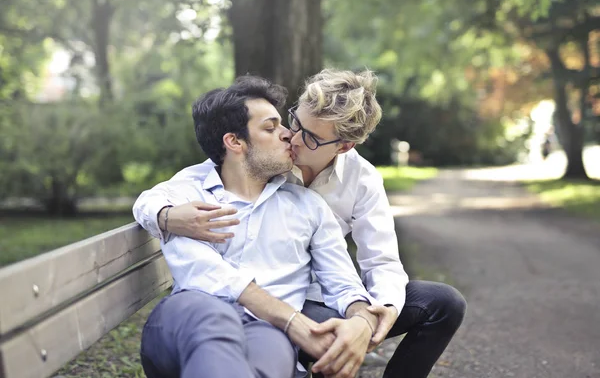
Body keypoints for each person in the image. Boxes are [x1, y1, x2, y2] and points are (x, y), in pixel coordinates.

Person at [134, 69, 467, 378]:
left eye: (307, 136)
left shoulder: (334, 193)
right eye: (287, 123)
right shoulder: (199, 191)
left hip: (295, 314)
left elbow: (372, 267)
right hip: (241, 311)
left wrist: (364, 321)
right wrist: (165, 215)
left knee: (443, 303)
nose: (290, 137)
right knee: (218, 323)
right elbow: (160, 205)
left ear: (343, 146)